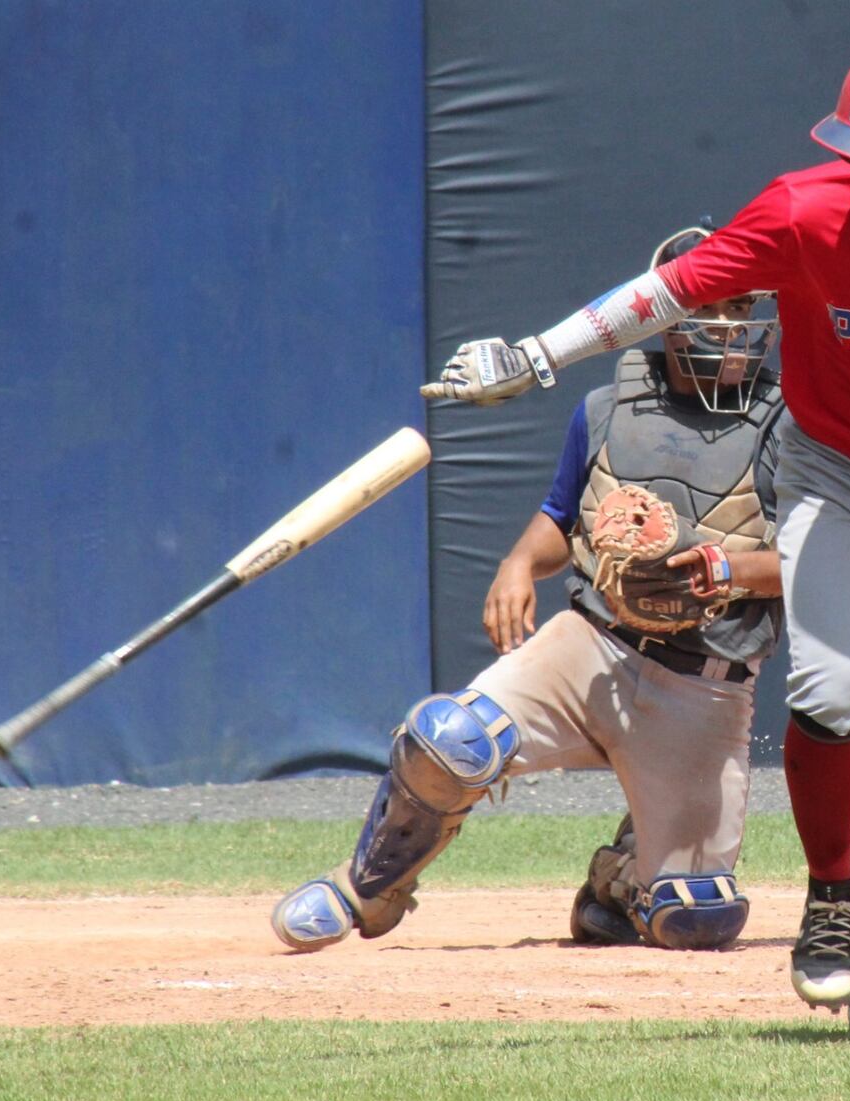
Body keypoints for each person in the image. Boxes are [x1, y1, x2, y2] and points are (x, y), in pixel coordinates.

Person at [419, 37, 850, 1035]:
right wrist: (538, 353)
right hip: (838, 475)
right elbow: (672, 291)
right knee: (832, 691)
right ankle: (830, 899)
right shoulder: (804, 208)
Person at [271, 224, 788, 955]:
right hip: (592, 647)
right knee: (450, 738)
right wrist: (519, 564)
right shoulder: (609, 409)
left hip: (702, 684)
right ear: (665, 315)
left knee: (695, 917)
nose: (731, 328)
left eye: (743, 310)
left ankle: (620, 880)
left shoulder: (791, 423)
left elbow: (815, 557)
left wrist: (731, 569)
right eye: (712, 307)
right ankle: (368, 884)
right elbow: (559, 517)